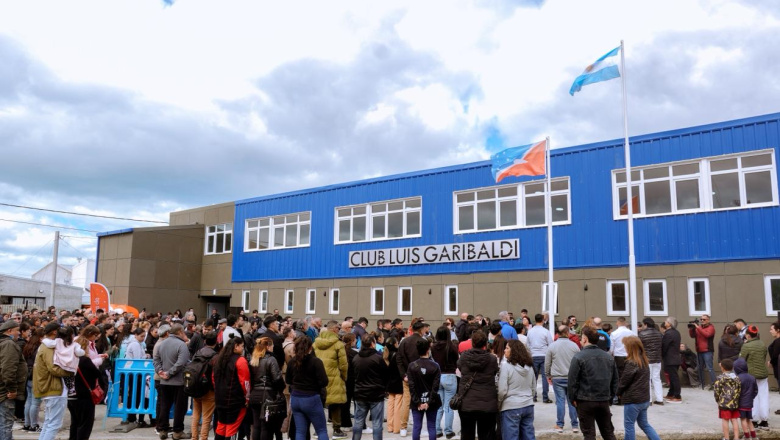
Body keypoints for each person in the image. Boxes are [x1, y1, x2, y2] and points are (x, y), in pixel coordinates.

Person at [567, 326, 618, 440]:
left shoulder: (578, 357)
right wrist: (610, 397)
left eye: (581, 339)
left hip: (585, 401)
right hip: (603, 400)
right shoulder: (608, 357)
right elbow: (615, 380)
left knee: (589, 434)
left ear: (585, 339)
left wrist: (572, 399)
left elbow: (572, 381)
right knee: (608, 433)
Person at [34, 322, 75, 440]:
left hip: (50, 389)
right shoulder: (48, 347)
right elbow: (53, 368)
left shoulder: (45, 345)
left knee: (49, 422)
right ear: (54, 332)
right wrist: (71, 371)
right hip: (53, 389)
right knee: (54, 424)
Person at [457, 331, 498, 440]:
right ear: (485, 344)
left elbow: (460, 368)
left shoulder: (464, 357)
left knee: (466, 434)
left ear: (472, 343)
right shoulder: (492, 359)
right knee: (486, 435)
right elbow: (494, 372)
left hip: (467, 402)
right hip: (487, 402)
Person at [617, 336, 660, 440]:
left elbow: (624, 381)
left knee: (629, 425)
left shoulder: (631, 362)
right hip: (644, 399)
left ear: (630, 348)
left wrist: (618, 392)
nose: (624, 348)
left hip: (633, 400)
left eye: (625, 346)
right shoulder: (644, 360)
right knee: (644, 424)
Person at [287, 336, 330, 440]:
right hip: (311, 397)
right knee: (321, 430)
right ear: (311, 347)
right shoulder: (316, 362)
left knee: (300, 431)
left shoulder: (292, 361)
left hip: (296, 398)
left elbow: (288, 380)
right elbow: (324, 381)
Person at [153, 323, 190, 439]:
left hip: (164, 381)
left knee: (164, 406)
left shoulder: (161, 344)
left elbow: (156, 359)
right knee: (180, 407)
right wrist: (169, 373)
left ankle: (163, 430)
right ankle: (177, 431)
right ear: (179, 332)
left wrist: (160, 371)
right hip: (178, 381)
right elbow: (181, 362)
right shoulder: (182, 345)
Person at [314, 320, 348, 439]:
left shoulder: (316, 343)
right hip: (334, 377)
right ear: (334, 329)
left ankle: (318, 430)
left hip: (318, 378)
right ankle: (336, 430)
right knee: (335, 404)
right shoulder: (338, 344)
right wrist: (344, 377)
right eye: (338, 328)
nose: (339, 330)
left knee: (319, 404)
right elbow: (343, 364)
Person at [213, 337, 250, 440]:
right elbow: (245, 382)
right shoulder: (240, 360)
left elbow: (213, 378)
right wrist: (247, 398)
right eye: (242, 346)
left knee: (221, 426)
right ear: (236, 346)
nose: (243, 349)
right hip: (235, 400)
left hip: (220, 399)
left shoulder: (218, 359)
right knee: (232, 428)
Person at [545, 325, 580, 433]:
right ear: (567, 333)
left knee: (560, 401)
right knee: (572, 401)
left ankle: (560, 425)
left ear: (557, 334)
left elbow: (547, 363)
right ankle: (575, 425)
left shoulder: (552, 346)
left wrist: (548, 375)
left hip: (557, 377)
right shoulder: (574, 346)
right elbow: (579, 362)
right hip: (571, 378)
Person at [498, 339, 536, 440]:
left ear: (513, 351)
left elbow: (502, 390)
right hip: (528, 405)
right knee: (529, 436)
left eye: (507, 348)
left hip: (511, 407)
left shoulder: (506, 367)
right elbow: (533, 388)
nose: (504, 350)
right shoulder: (530, 367)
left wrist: (499, 404)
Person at [352, 334, 387, 440]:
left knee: (358, 422)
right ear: (373, 343)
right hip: (376, 394)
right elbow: (386, 374)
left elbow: (353, 375)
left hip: (360, 393)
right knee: (377, 423)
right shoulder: (378, 358)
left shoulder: (356, 358)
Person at [397, 320, 429, 437]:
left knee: (406, 401)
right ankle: (420, 427)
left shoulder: (404, 341)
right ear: (421, 330)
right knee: (423, 400)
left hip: (407, 376)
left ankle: (403, 427)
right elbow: (427, 359)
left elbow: (399, 359)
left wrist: (403, 375)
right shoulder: (423, 342)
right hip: (421, 376)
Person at [249, 337, 285, 440]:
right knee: (266, 426)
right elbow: (277, 378)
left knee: (256, 425)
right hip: (267, 395)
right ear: (268, 346)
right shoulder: (271, 359)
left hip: (255, 395)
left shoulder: (253, 359)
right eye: (272, 345)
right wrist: (280, 389)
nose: (273, 347)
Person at [67, 337, 101, 440]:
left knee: (75, 422)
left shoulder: (69, 358)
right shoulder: (85, 360)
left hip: (71, 395)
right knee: (85, 424)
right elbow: (97, 373)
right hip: (85, 395)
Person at [407, 337, 441, 440]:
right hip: (432, 401)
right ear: (428, 350)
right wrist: (429, 402)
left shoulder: (412, 366)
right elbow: (435, 387)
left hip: (416, 401)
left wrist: (418, 402)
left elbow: (411, 387)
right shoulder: (435, 366)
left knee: (417, 427)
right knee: (431, 426)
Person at [738, 325, 769, 429]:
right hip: (763, 374)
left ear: (747, 335)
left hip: (751, 375)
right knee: (764, 397)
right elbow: (763, 357)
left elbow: (741, 360)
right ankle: (764, 421)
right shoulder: (762, 344)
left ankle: (754, 420)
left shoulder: (746, 346)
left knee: (753, 397)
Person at [0, 319, 26, 439]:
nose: (19, 334)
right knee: (5, 426)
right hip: (5, 393)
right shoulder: (9, 344)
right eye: (17, 331)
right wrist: (12, 390)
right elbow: (8, 370)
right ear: (9, 331)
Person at [431, 326, 458, 439]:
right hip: (450, 376)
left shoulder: (433, 347)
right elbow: (457, 360)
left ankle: (437, 430)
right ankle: (448, 431)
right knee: (448, 406)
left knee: (439, 405)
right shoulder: (451, 346)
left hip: (438, 376)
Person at [189, 331, 218, 440]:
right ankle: (203, 438)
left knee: (196, 415)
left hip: (196, 387)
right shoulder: (215, 356)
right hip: (209, 389)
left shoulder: (198, 353)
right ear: (216, 342)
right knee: (206, 418)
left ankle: (194, 437)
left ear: (205, 341)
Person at [713, 358, 742, 440]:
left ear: (722, 367)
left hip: (724, 403)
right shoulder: (737, 378)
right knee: (734, 419)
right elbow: (739, 389)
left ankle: (726, 438)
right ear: (732, 367)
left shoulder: (720, 378)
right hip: (735, 403)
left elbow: (716, 391)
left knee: (725, 420)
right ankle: (736, 438)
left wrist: (718, 400)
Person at [527, 314, 553, 403]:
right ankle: (545, 397)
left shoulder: (530, 331)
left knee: (534, 377)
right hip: (544, 355)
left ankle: (533, 396)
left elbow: (528, 344)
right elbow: (550, 344)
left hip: (533, 355)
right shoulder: (546, 331)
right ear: (542, 320)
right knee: (545, 376)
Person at [637, 318, 663, 405]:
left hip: (646, 359)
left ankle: (649, 400)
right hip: (657, 359)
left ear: (646, 324)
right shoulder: (659, 334)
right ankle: (660, 399)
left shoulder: (641, 334)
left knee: (647, 379)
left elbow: (639, 347)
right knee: (657, 379)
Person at [22, 328, 43, 432]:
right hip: (36, 376)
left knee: (29, 401)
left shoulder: (28, 346)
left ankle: (27, 423)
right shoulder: (39, 348)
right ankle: (34, 425)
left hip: (28, 376)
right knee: (35, 402)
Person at [689, 314, 716, 389]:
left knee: (709, 368)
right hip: (699, 351)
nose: (702, 321)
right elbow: (692, 336)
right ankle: (702, 384)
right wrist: (692, 329)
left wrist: (698, 328)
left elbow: (707, 335)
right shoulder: (699, 328)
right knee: (700, 368)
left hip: (707, 350)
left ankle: (714, 384)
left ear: (708, 320)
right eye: (701, 319)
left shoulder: (711, 327)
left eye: (704, 319)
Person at [733, 358, 758, 439]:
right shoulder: (752, 377)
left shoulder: (737, 379)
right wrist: (751, 397)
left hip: (741, 403)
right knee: (749, 420)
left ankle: (747, 436)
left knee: (743, 420)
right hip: (749, 403)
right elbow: (755, 390)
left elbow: (736, 392)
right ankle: (754, 436)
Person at [384, 337, 403, 436]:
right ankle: (397, 428)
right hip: (398, 383)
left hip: (389, 383)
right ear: (395, 344)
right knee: (398, 405)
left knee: (390, 404)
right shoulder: (398, 355)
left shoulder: (385, 355)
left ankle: (390, 427)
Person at [661, 317, 682, 402]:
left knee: (674, 378)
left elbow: (665, 346)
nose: (665, 322)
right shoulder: (676, 332)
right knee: (673, 376)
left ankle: (677, 395)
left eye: (666, 321)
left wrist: (662, 355)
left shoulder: (668, 333)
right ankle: (671, 393)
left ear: (669, 324)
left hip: (670, 358)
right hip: (675, 357)